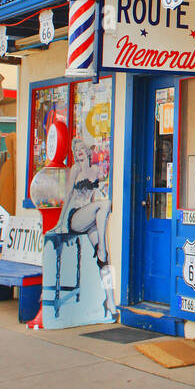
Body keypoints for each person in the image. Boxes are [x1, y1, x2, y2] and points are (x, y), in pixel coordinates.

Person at [56, 138, 117, 321]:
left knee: (105, 263)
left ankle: (110, 300)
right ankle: (102, 250)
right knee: (104, 205)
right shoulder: (76, 169)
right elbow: (67, 196)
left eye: (81, 148)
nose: (78, 151)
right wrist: (60, 222)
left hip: (90, 219)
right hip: (75, 217)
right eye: (75, 149)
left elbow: (100, 193)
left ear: (89, 152)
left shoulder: (96, 170)